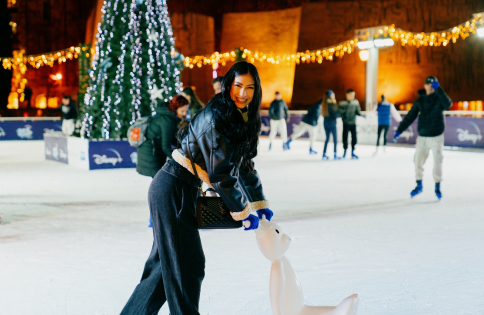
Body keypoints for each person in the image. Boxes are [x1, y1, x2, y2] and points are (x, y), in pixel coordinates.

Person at [120, 61, 273, 315]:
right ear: (228, 86)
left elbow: (244, 165)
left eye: (250, 87)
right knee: (187, 267)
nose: (243, 93)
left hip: (179, 188)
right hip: (173, 187)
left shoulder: (236, 117)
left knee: (163, 270)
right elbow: (220, 173)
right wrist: (243, 211)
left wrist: (259, 202)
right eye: (238, 86)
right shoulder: (217, 116)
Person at [394, 76, 452, 199]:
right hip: (423, 137)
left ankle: (437, 186)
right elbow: (410, 116)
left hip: (436, 136)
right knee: (417, 160)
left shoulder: (439, 98)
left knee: (437, 161)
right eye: (428, 84)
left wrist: (440, 90)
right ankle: (419, 185)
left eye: (432, 84)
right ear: (424, 85)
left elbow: (448, 104)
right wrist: (399, 130)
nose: (430, 86)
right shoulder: (420, 101)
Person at [136, 95, 189, 178]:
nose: (184, 114)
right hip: (151, 153)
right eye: (182, 111)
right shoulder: (167, 120)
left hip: (152, 150)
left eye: (186, 111)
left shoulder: (168, 117)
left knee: (160, 181)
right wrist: (182, 161)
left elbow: (170, 139)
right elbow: (166, 147)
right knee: (160, 181)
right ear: (175, 108)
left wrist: (183, 147)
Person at [339, 89, 362, 159]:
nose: (352, 96)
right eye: (351, 95)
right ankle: (345, 151)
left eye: (353, 95)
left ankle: (352, 151)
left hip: (353, 123)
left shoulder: (355, 102)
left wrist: (360, 114)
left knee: (354, 137)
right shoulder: (342, 102)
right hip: (345, 123)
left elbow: (358, 110)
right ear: (347, 94)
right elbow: (339, 111)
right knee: (345, 137)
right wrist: (344, 115)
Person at [321, 90, 341, 160]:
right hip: (332, 123)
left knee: (327, 138)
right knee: (335, 139)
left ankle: (324, 153)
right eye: (333, 94)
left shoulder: (324, 104)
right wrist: (342, 115)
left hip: (325, 123)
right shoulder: (332, 104)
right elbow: (335, 114)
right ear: (330, 95)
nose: (334, 95)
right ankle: (335, 154)